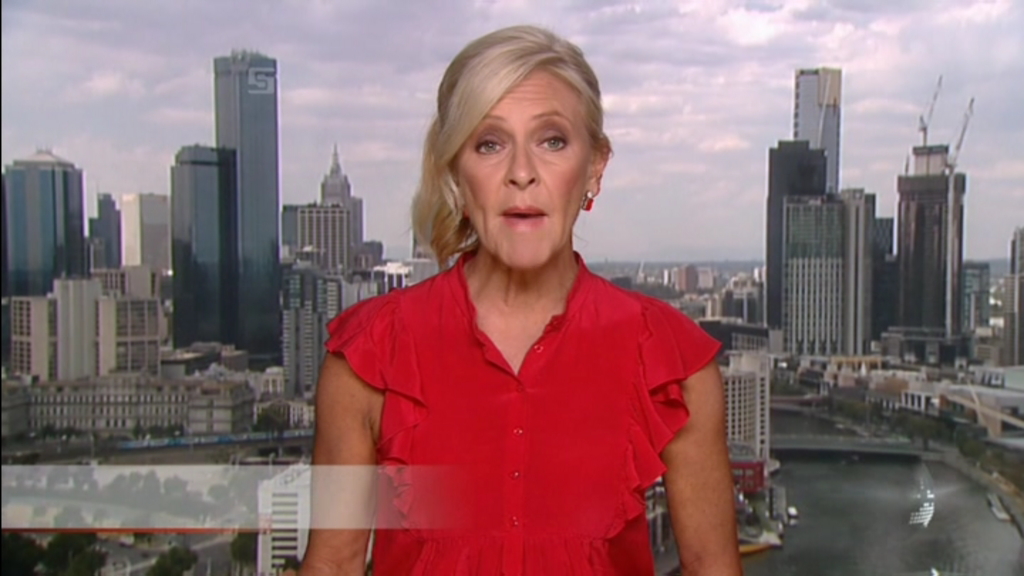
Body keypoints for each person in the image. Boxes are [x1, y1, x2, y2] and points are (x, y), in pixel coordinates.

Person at [299, 24, 741, 576]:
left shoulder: (672, 364)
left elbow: (712, 568)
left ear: (595, 167)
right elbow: (332, 565)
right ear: (455, 173)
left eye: (552, 141)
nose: (522, 174)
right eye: (489, 144)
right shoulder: (368, 357)